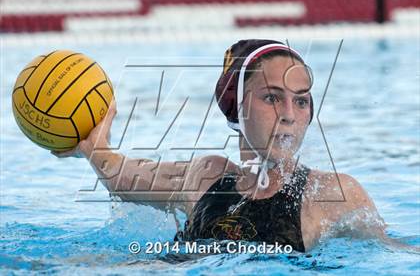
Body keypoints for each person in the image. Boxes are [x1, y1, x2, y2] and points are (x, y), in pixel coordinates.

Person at [53, 39, 386, 252]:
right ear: (237, 107)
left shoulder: (331, 194)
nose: (289, 115)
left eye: (301, 102)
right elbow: (120, 179)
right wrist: (91, 141)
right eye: (271, 97)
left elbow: (390, 254)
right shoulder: (204, 178)